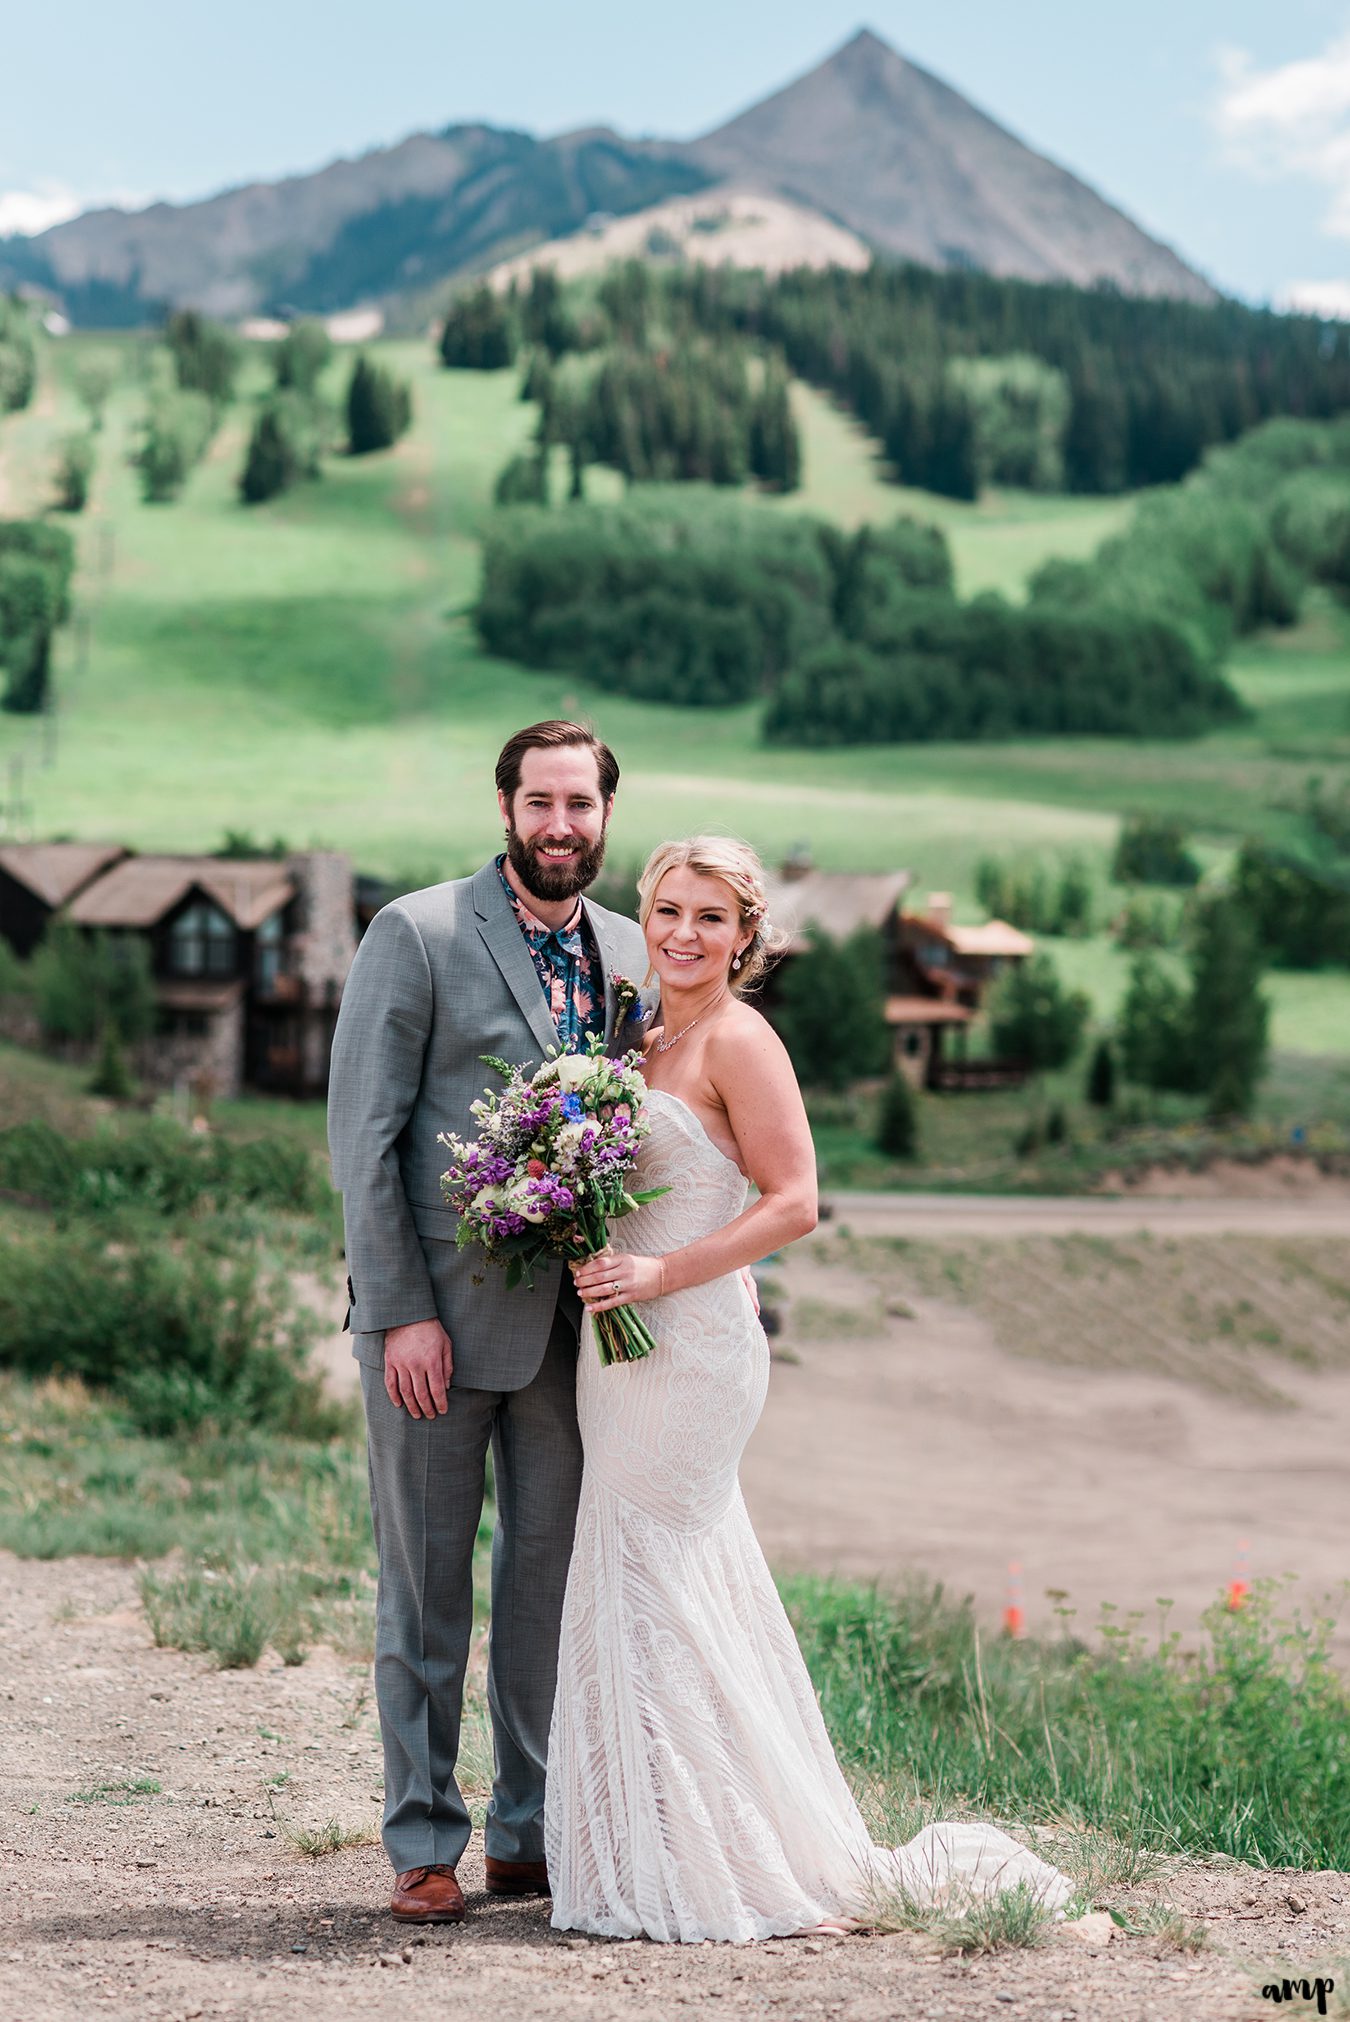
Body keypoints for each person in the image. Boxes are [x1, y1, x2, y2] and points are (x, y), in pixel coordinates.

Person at [549, 836, 1071, 1942]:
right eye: (668, 912)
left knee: (666, 1576)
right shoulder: (637, 1039)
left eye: (710, 918)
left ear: (746, 938)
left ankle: (722, 1855)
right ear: (644, 917)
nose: (684, 935)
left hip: (691, 1348)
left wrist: (659, 1272)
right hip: (618, 1351)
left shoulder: (741, 1040)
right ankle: (655, 1842)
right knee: (633, 1576)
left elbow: (795, 1203)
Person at [327, 721, 650, 1926]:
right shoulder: (411, 934)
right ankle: (422, 1841)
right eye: (541, 802)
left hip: (573, 1339)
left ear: (606, 816)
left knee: (547, 1587)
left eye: (582, 804)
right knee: (425, 1593)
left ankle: (528, 1831)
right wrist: (401, 1312)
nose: (561, 825)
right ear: (505, 807)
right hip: (433, 1338)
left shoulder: (628, 952)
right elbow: (362, 1139)